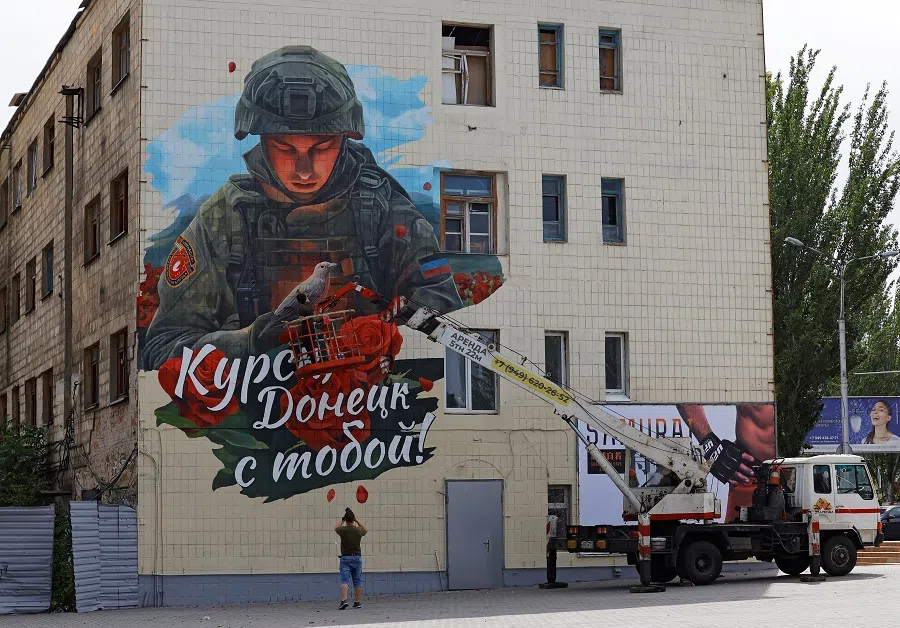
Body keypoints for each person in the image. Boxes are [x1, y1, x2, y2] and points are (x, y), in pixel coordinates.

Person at [141, 45, 463, 370]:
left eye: (322, 147)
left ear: (345, 139)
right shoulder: (224, 218)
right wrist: (250, 342)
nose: (304, 170)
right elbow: (162, 347)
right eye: (284, 147)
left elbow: (443, 313)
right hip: (260, 407)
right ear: (261, 141)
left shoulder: (384, 209)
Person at [676, 404, 776, 522]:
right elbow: (683, 387)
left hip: (801, 474)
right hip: (749, 476)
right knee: (738, 539)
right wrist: (710, 444)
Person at [335, 507, 367, 609]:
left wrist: (343, 519)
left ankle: (344, 600)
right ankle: (357, 602)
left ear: (346, 520)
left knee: (345, 580)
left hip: (345, 559)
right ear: (353, 520)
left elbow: (336, 527)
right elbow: (365, 530)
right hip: (357, 558)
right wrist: (357, 520)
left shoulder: (343, 530)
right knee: (357, 581)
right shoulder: (358, 531)